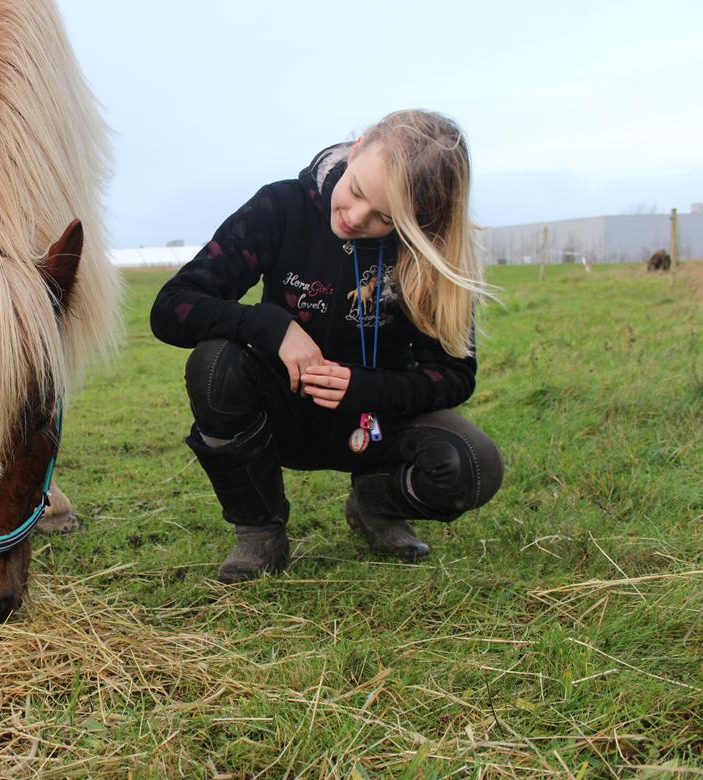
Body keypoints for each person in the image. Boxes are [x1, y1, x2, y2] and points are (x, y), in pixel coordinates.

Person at [149, 109, 503, 583]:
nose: (355, 217)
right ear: (355, 150)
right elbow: (171, 308)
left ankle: (375, 505)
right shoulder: (280, 208)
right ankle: (260, 531)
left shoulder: (427, 251)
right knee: (215, 366)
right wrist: (268, 326)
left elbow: (455, 375)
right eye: (357, 190)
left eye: (384, 217)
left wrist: (366, 387)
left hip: (377, 426)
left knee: (474, 465)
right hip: (285, 416)